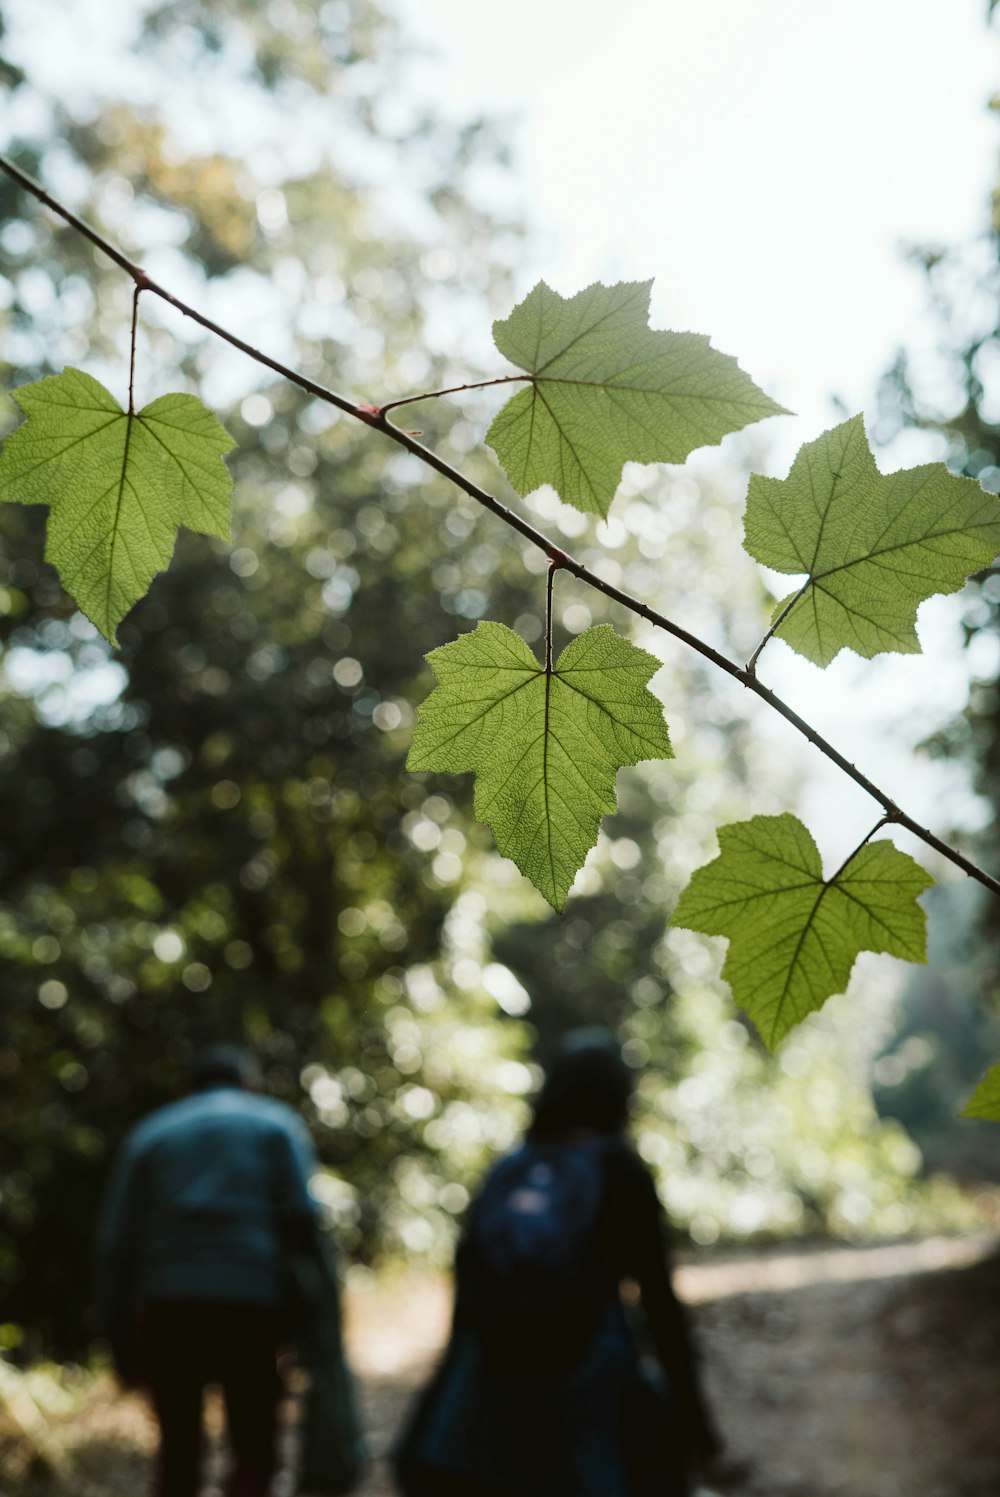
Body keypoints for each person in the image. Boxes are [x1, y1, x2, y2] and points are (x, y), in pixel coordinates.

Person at [394, 1027, 724, 1497]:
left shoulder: (511, 1168)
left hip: (493, 1371)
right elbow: (659, 1304)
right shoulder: (620, 1171)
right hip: (585, 1373)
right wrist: (696, 1426)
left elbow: (468, 1293)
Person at [95, 1043, 359, 1497]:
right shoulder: (276, 1125)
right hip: (251, 1302)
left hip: (168, 1304)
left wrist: (116, 1327)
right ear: (248, 1082)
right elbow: (304, 1223)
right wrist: (318, 1316)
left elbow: (115, 1240)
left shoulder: (152, 1134)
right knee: (254, 1443)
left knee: (178, 1445)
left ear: (190, 1084)